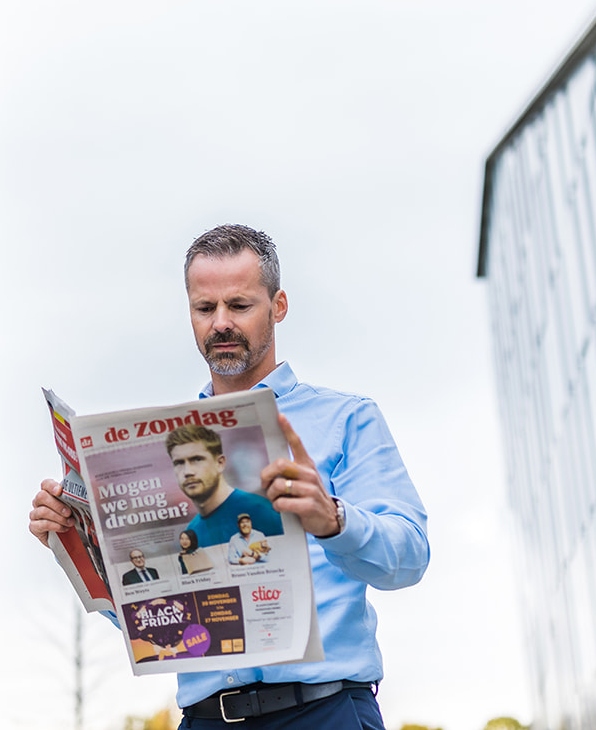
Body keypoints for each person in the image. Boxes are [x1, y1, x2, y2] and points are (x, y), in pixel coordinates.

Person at [29, 223, 430, 729]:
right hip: (205, 718)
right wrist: (80, 544)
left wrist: (334, 519)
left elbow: (410, 557)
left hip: (326, 711)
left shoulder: (347, 419)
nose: (220, 323)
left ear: (278, 306)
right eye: (204, 308)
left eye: (239, 306)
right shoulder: (159, 447)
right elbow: (158, 621)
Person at [166, 423, 283, 548]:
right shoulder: (191, 532)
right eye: (179, 463)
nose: (187, 471)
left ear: (220, 463)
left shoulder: (261, 511)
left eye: (197, 459)